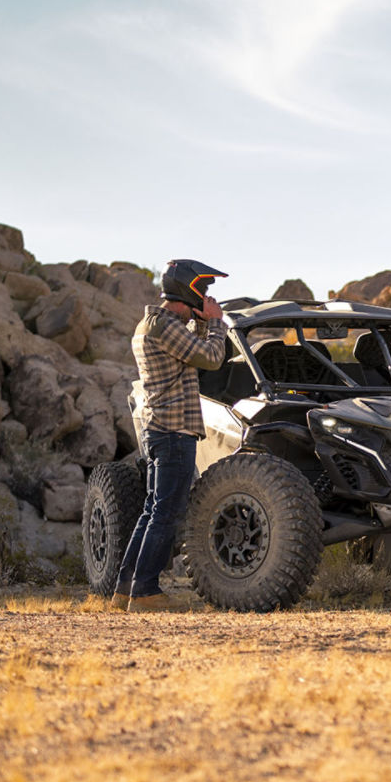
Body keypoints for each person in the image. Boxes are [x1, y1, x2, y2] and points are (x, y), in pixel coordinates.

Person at [112, 259, 229, 611]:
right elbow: (210, 357)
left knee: (153, 510)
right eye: (203, 291)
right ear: (189, 289)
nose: (207, 298)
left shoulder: (153, 324)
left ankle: (125, 588)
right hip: (173, 431)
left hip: (160, 429)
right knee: (167, 512)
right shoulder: (164, 326)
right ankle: (146, 591)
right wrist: (216, 324)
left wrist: (200, 321)